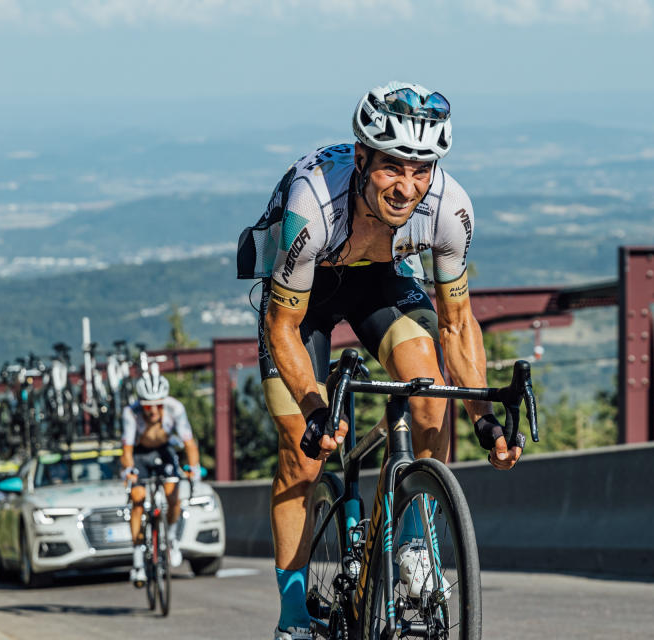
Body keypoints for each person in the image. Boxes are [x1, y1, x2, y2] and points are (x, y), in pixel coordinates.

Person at [237, 81, 526, 640]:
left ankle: (414, 541)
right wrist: (316, 406)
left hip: (383, 283)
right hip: (306, 296)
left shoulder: (450, 208)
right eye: (393, 167)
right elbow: (283, 326)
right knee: (302, 450)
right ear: (362, 156)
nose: (407, 186)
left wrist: (483, 418)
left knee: (428, 390)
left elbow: (457, 323)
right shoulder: (312, 204)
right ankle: (294, 616)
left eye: (421, 170)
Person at [120, 372, 200, 587]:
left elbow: (189, 443)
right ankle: (138, 561)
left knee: (173, 493)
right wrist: (129, 470)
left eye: (158, 405)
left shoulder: (176, 409)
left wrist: (194, 469)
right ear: (141, 404)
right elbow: (126, 450)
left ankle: (171, 539)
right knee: (138, 498)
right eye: (147, 406)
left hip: (164, 451)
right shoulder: (130, 413)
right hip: (139, 453)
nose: (153, 410)